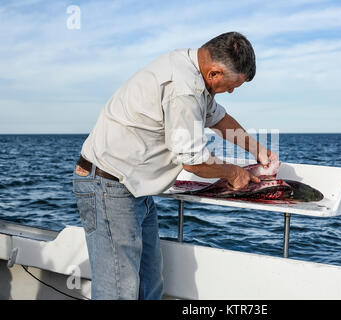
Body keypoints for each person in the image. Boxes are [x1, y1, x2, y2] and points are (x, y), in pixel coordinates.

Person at [72, 31, 278, 300]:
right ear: (215, 72)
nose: (230, 92)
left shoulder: (192, 69)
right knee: (118, 291)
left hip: (136, 188)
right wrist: (234, 173)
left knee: (150, 285)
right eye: (231, 86)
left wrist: (259, 151)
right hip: (110, 185)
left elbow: (218, 119)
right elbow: (193, 161)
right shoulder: (184, 88)